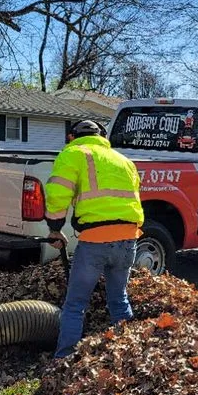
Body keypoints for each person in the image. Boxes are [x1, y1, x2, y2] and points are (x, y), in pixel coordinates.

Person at [44, 119, 144, 358]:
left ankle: (64, 360)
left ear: (71, 137)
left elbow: (58, 194)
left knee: (76, 304)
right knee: (118, 298)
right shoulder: (124, 161)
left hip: (95, 240)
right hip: (128, 238)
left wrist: (55, 229)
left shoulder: (73, 154)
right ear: (103, 136)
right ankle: (130, 356)